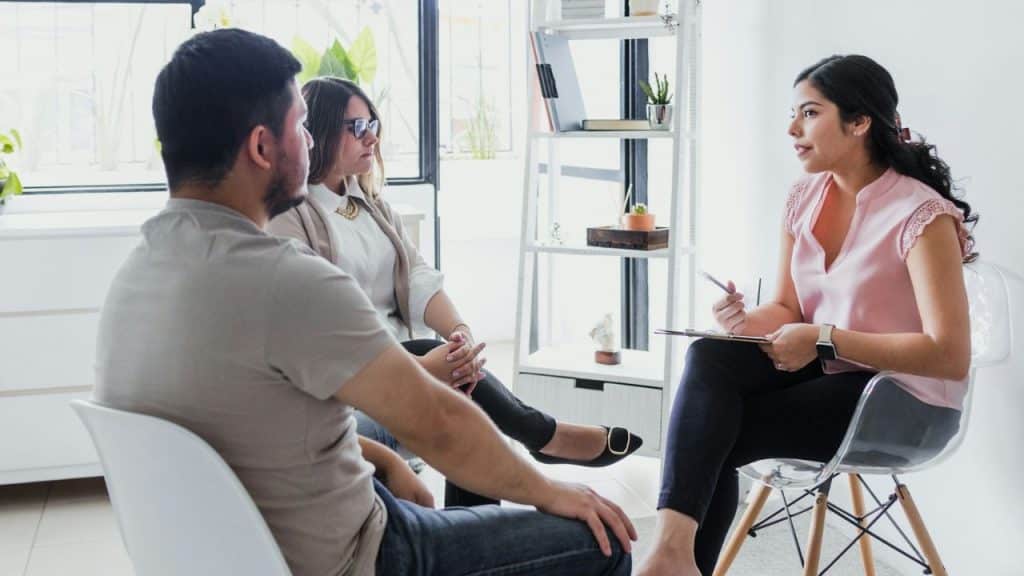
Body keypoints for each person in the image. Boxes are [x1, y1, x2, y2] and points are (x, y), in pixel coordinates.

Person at [94, 28, 636, 576]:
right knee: (602, 538)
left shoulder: (132, 279)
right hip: (361, 556)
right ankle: (550, 445)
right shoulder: (284, 279)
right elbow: (439, 423)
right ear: (262, 147)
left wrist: (380, 460)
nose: (308, 141)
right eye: (300, 126)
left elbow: (267, 430)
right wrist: (549, 492)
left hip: (231, 555)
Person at [636, 54, 976, 576]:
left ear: (859, 122)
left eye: (810, 113)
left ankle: (671, 562)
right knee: (710, 355)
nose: (793, 129)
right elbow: (787, 309)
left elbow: (949, 356)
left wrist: (823, 338)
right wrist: (743, 323)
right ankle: (672, 554)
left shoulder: (920, 215)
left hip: (901, 397)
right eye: (794, 114)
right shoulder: (803, 198)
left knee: (717, 432)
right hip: (828, 368)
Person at [267, 76, 643, 507]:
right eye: (355, 127)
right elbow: (318, 336)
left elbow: (421, 279)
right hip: (355, 381)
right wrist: (421, 369)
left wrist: (460, 333)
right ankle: (543, 435)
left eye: (372, 123)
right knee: (453, 378)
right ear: (318, 134)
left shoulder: (372, 205)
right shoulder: (291, 216)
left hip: (401, 361)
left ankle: (507, 481)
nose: (371, 136)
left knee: (460, 375)